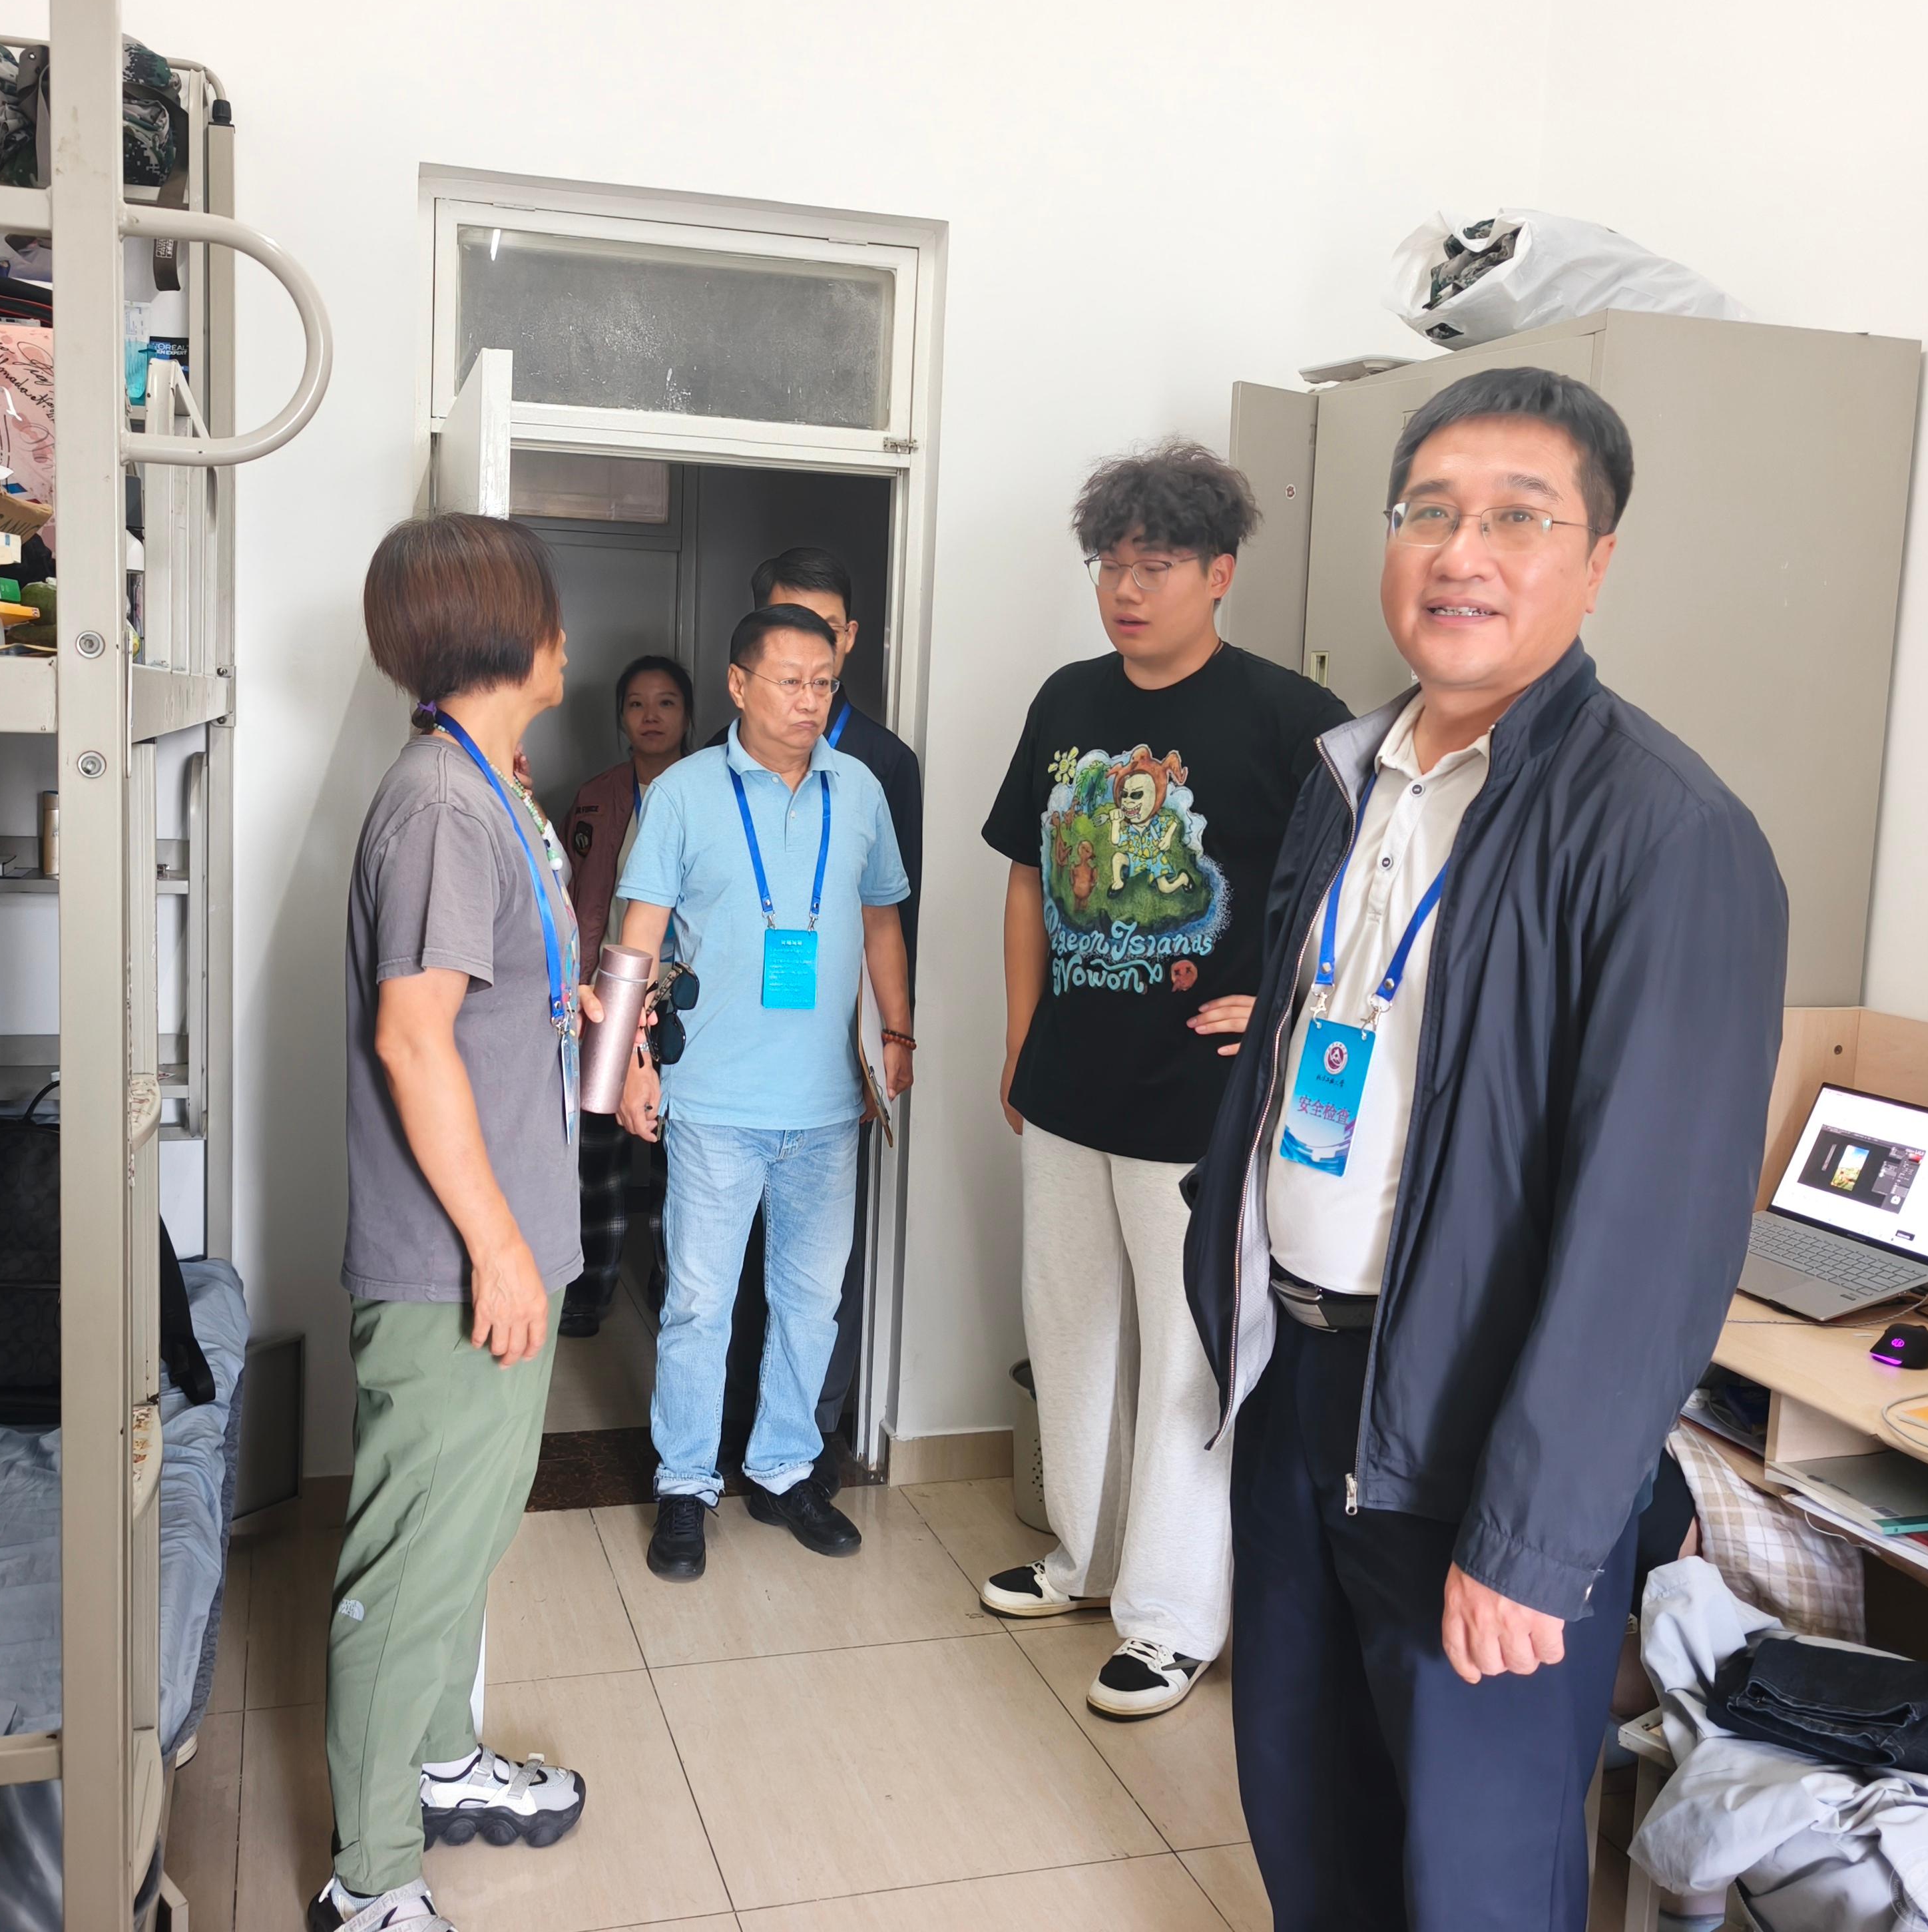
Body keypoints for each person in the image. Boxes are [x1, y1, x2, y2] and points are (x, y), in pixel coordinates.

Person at [1180, 367, 1788, 1930]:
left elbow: (1649, 1237)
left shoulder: (1664, 831)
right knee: (1307, 1813)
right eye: (1429, 512)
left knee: (1476, 1874)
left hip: (1476, 1436)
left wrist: (1532, 1538)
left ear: (1596, 563)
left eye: (1519, 518)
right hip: (1302, 1391)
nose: (1461, 552)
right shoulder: (1350, 778)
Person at [977, 439, 1346, 1719]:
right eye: (1110, 565)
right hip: (1068, 1081)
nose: (1127, 589)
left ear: (1220, 572)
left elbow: (1359, 897)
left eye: (1157, 565)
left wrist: (1288, 1006)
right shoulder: (1068, 700)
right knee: (1071, 1330)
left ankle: (1173, 1620)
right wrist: (1019, 1035)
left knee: (1192, 1349)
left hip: (1200, 1100)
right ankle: (1083, 1558)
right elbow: (1027, 877)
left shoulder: (1292, 719)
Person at [316, 513, 604, 1932]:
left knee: (460, 1547)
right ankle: (368, 1878)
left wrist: (582, 1012)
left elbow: (485, 1000)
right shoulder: (442, 802)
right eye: (549, 610)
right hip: (453, 1268)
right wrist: (495, 1248)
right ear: (505, 630)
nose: (567, 635)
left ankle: (437, 1761)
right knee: (411, 1569)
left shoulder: (494, 789)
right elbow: (414, 1038)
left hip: (502, 1249)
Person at [612, 604, 914, 1580]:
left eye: (823, 682)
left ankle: (785, 1471)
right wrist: (629, 1061)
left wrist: (898, 1032)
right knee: (699, 1303)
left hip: (827, 1104)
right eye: (789, 681)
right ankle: (684, 1486)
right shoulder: (686, 794)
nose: (808, 700)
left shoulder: (859, 788)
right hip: (713, 1102)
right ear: (739, 685)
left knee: (810, 1302)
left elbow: (880, 921)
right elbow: (638, 934)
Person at [697, 545, 925, 1443]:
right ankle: (716, 1436)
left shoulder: (880, 766)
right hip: (727, 1071)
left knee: (815, 1275)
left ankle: (803, 1441)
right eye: (787, 640)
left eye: (824, 638)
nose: (807, 670)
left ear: (850, 638)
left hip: (833, 1065)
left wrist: (888, 1042)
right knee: (715, 1277)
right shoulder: (706, 772)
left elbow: (891, 918)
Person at [555, 654, 694, 1337]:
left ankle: (673, 1289)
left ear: (688, 715)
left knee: (679, 1152)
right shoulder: (596, 795)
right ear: (620, 717)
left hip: (684, 996)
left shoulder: (707, 791)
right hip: (606, 991)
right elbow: (570, 893)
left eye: (666, 703)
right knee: (598, 1151)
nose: (651, 716)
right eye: (637, 704)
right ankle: (590, 1288)